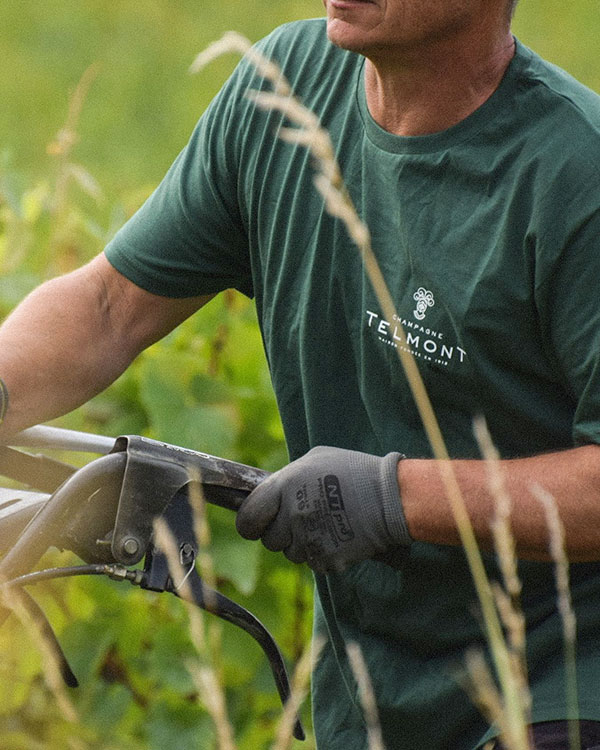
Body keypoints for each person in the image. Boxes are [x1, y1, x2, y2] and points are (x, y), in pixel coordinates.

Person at [2, 0, 600, 747]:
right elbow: (107, 305)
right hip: (368, 694)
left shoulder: (578, 176)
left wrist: (394, 496)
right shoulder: (284, 94)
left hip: (564, 687)